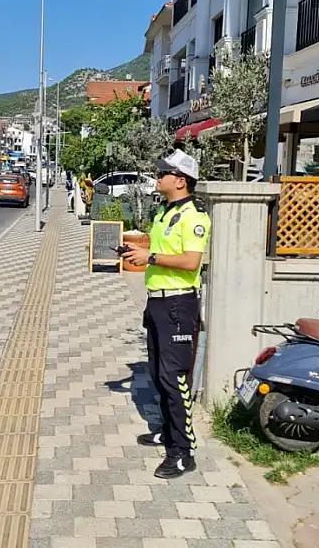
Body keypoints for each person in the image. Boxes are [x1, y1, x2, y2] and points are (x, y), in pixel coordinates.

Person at [120, 149, 210, 479]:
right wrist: (137, 254)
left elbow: (190, 262)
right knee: (158, 374)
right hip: (157, 302)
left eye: (164, 172)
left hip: (178, 305)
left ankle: (183, 451)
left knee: (175, 380)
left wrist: (151, 257)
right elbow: (157, 253)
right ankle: (168, 432)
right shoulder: (164, 212)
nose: (158, 176)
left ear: (181, 180)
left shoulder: (194, 216)